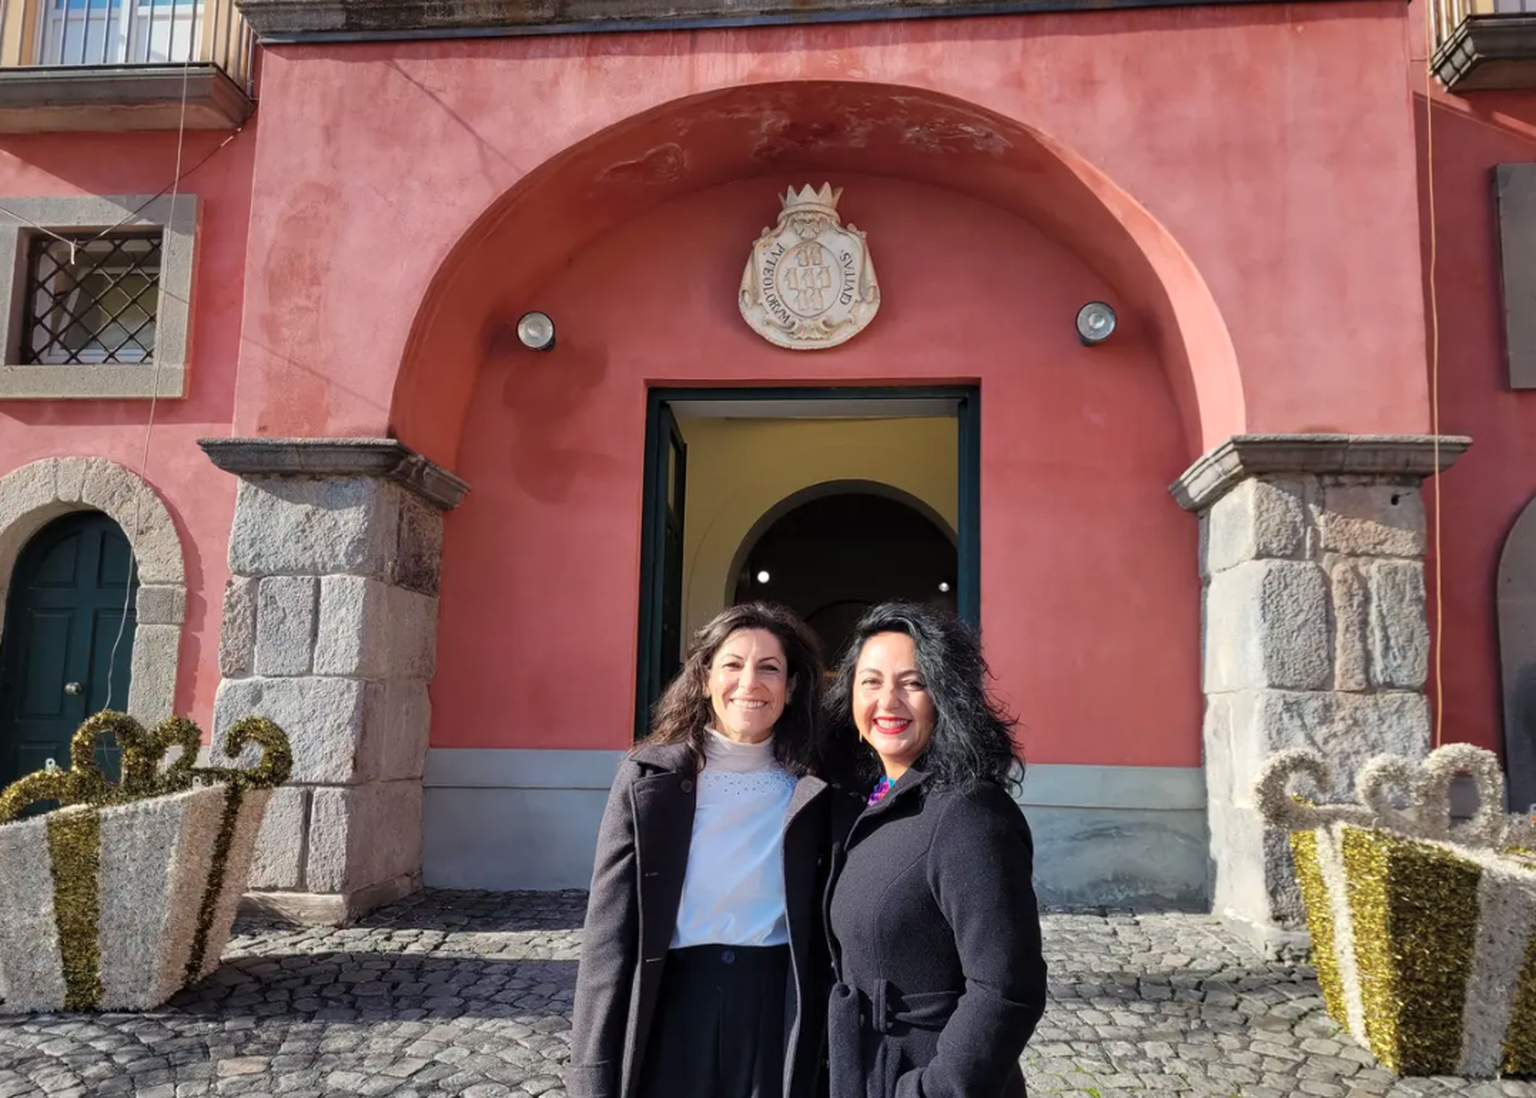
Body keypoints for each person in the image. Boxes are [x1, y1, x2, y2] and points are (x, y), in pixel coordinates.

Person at [567, 601, 844, 1098]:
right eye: (732, 665)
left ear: (792, 685)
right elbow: (607, 940)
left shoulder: (817, 786)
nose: (749, 682)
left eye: (769, 668)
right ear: (704, 678)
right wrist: (590, 1075)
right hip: (673, 1005)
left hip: (777, 1006)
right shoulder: (647, 780)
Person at [821, 601, 1047, 1098]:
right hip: (865, 1069)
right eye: (871, 682)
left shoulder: (968, 813)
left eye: (913, 682)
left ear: (945, 696)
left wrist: (929, 1090)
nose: (888, 700)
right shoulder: (870, 799)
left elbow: (1008, 989)